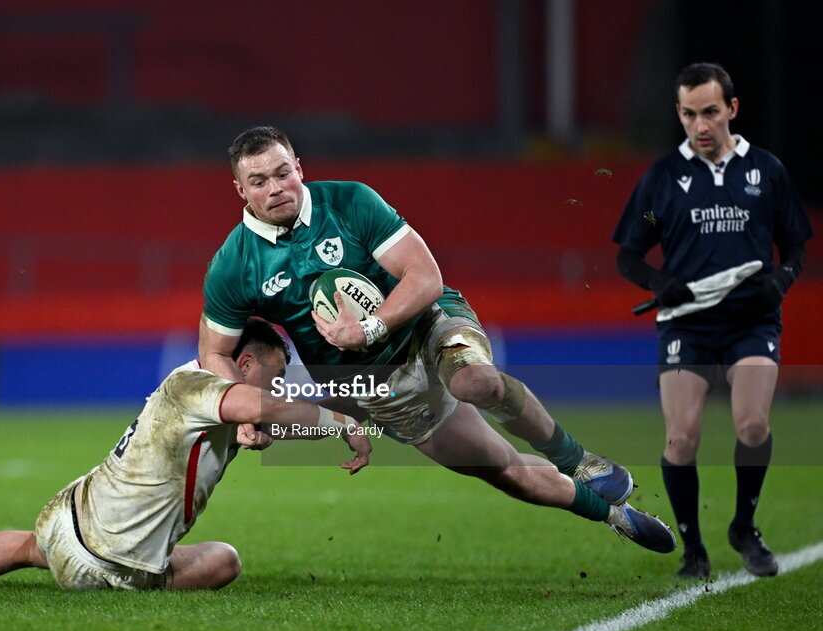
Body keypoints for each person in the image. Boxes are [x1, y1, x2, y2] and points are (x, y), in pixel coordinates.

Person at [198, 126, 676, 555]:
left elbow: (424, 276)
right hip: (375, 384)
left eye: (283, 173)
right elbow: (215, 353)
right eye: (259, 182)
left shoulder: (350, 202)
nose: (276, 188)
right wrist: (247, 410)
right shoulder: (234, 264)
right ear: (240, 190)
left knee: (477, 383)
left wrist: (369, 327)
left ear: (299, 167)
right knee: (504, 469)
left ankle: (579, 460)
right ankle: (613, 515)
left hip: (428, 320)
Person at [0, 319, 371, 590]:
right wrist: (340, 423)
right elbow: (265, 407)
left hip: (66, 523)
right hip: (115, 561)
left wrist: (271, 432)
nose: (280, 386)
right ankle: (142, 574)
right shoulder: (195, 384)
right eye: (275, 373)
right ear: (243, 362)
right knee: (225, 560)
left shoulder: (209, 398)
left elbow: (263, 418)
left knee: (26, 547)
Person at [613, 63, 813, 579]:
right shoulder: (663, 181)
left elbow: (795, 245)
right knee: (681, 439)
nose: (700, 125)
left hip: (753, 320)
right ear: (678, 113)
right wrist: (661, 284)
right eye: (688, 114)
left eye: (709, 112)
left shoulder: (765, 172)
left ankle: (744, 527)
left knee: (752, 425)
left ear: (732, 109)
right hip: (687, 325)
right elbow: (630, 255)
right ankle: (694, 549)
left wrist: (781, 281)